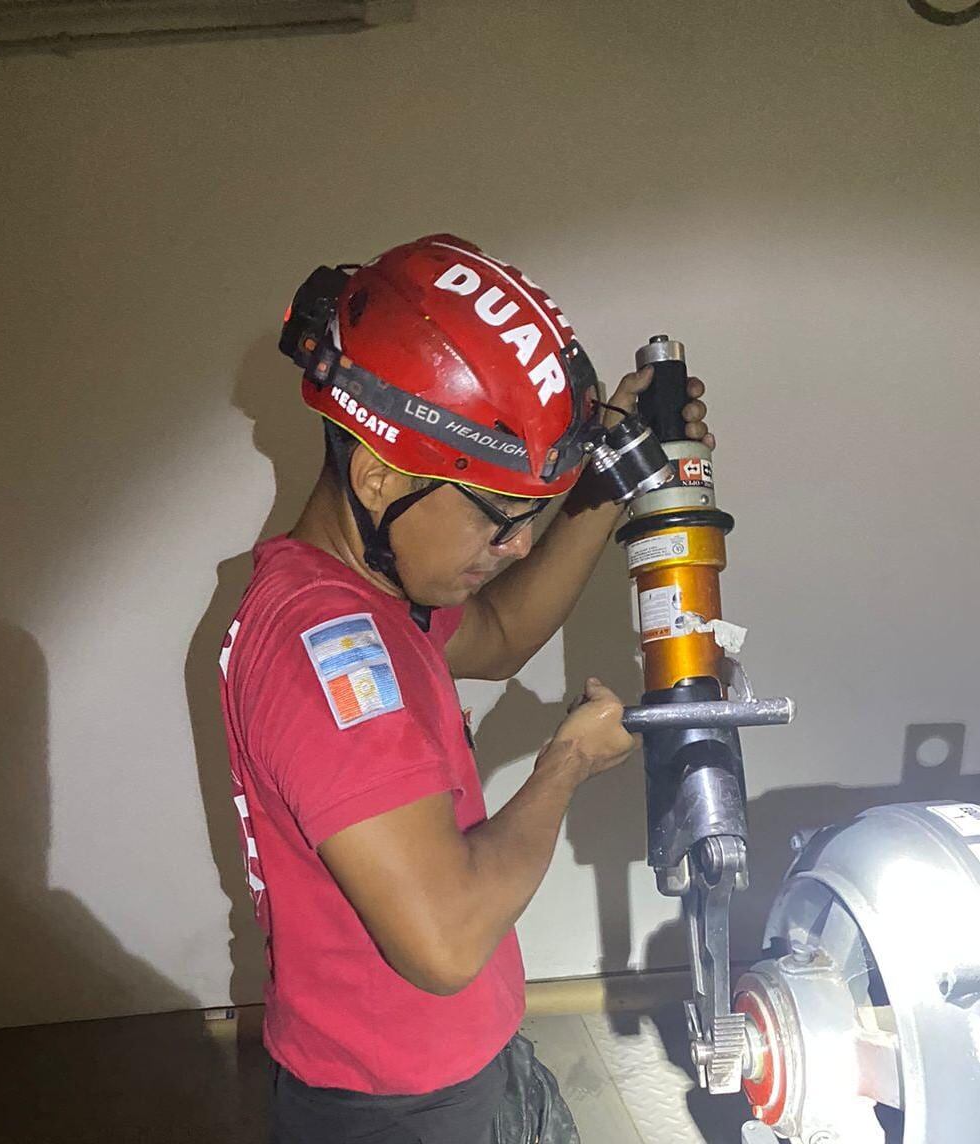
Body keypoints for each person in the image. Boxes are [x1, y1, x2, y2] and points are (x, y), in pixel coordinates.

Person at [218, 234, 711, 1143]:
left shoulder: (368, 593)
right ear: (378, 474)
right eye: (500, 515)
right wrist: (564, 764)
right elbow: (444, 941)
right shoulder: (325, 648)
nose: (518, 545)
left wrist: (609, 479)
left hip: (447, 1061)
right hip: (397, 1105)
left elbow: (500, 636)